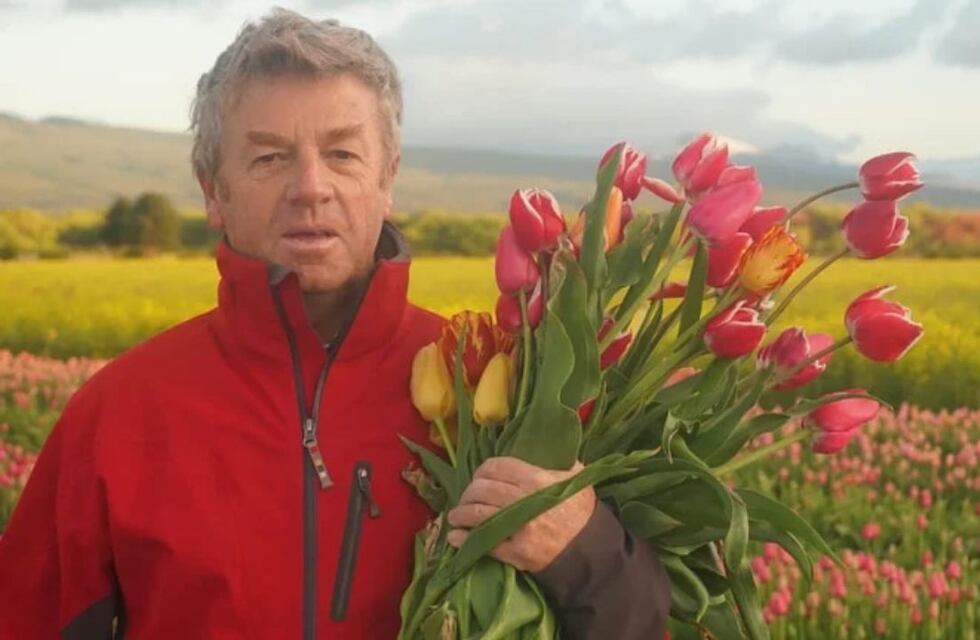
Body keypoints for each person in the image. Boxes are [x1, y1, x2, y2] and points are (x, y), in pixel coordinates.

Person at [0, 8, 670, 639]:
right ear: (213, 191)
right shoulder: (118, 413)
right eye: (268, 158)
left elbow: (653, 626)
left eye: (343, 154)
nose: (310, 186)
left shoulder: (506, 388)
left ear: (388, 179)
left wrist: (587, 553)